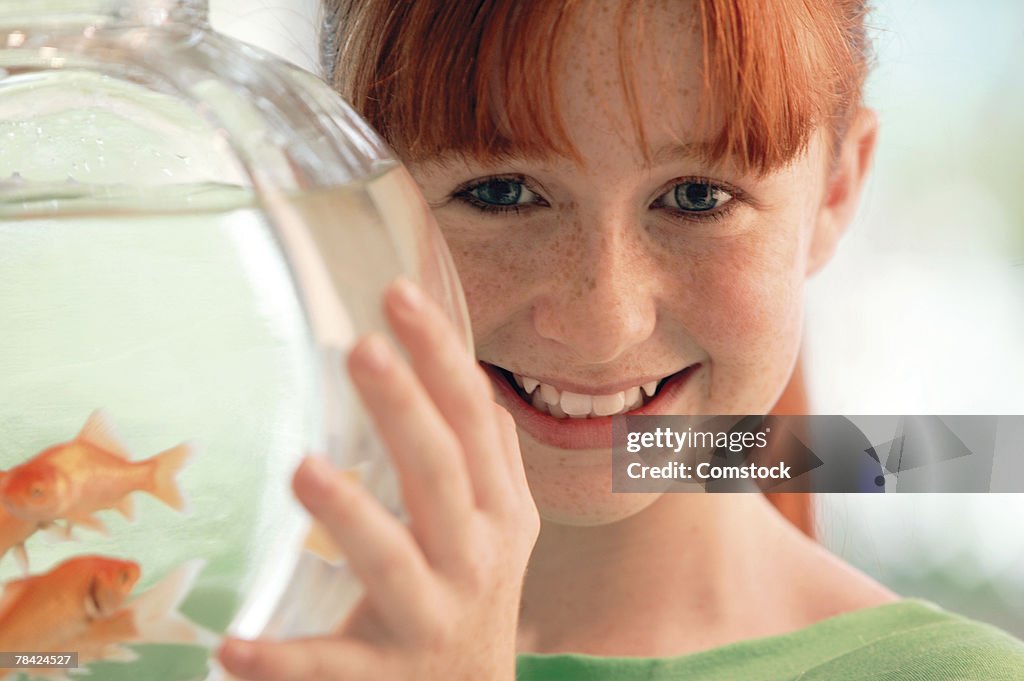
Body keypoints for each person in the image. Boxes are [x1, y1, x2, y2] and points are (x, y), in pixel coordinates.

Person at [218, 1, 1024, 679]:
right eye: (500, 193)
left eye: (697, 196)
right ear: (335, 183)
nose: (602, 324)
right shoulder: (171, 618)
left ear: (836, 193)